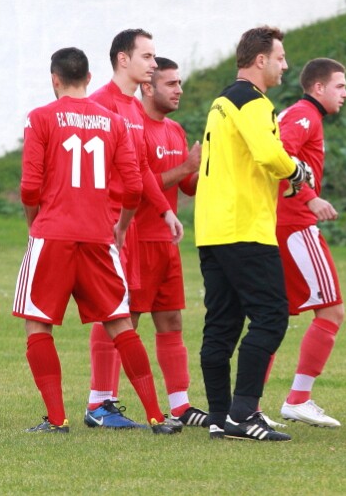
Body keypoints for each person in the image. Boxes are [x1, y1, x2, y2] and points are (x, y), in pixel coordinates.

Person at [14, 47, 181, 435]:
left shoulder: (40, 117)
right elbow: (134, 187)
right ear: (89, 78)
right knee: (120, 322)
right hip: (98, 236)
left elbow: (30, 186)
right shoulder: (113, 121)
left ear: (55, 79)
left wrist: (34, 224)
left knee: (38, 324)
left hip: (52, 234)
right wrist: (121, 226)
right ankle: (157, 416)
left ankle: (57, 420)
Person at [195, 26, 314, 442]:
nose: (285, 65)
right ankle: (244, 414)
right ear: (260, 60)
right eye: (280, 58)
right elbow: (268, 154)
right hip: (244, 227)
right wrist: (297, 171)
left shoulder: (221, 101)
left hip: (212, 229)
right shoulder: (253, 100)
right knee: (271, 316)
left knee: (222, 323)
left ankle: (219, 417)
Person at [85, 29, 185, 429]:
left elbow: (140, 167)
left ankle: (105, 403)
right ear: (123, 59)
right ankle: (99, 403)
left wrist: (164, 212)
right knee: (111, 309)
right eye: (147, 56)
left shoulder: (132, 109)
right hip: (101, 225)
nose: (153, 64)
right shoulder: (99, 104)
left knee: (118, 309)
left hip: (124, 228)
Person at [128, 57, 207, 427]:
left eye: (180, 83)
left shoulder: (175, 130)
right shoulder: (134, 127)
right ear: (148, 87)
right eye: (171, 84)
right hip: (137, 239)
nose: (179, 90)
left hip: (167, 242)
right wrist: (187, 167)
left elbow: (187, 186)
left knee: (171, 320)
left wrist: (206, 169)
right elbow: (140, 186)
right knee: (125, 321)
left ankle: (180, 406)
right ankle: (102, 400)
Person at [274, 58, 346, 428]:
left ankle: (247, 406)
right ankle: (298, 399)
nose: (345, 93)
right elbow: (279, 156)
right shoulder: (305, 116)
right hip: (295, 225)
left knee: (271, 318)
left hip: (278, 223)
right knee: (332, 311)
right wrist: (309, 197)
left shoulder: (299, 113)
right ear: (318, 88)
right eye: (340, 86)